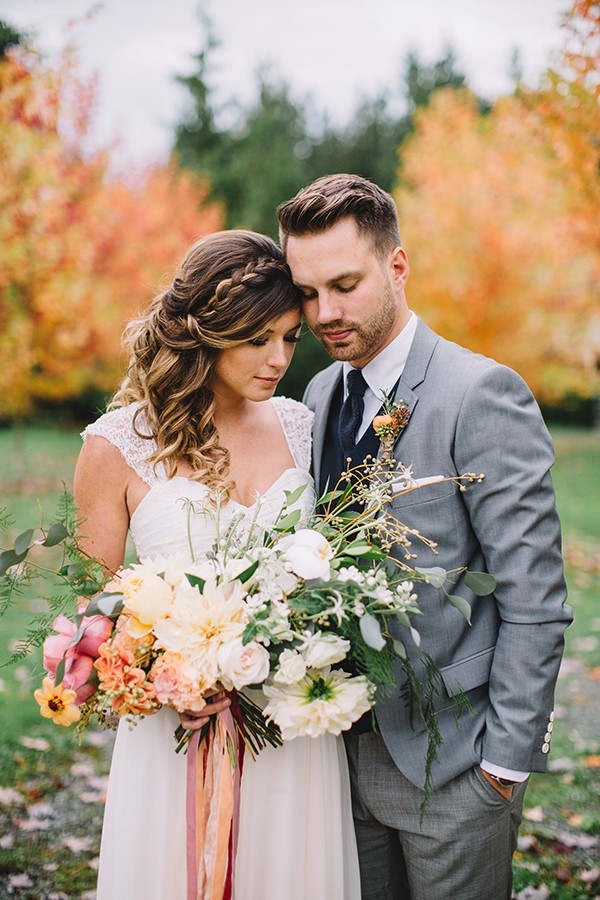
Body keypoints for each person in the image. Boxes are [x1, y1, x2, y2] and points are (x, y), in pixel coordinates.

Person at [277, 174, 573, 900]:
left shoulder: (480, 394)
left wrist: (503, 767)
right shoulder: (321, 393)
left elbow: (536, 598)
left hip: (454, 766)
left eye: (345, 284)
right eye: (308, 293)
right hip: (335, 763)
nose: (325, 312)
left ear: (397, 266)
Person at [73, 229, 361, 900]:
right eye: (257, 338)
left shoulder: (302, 426)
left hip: (292, 728)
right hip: (176, 733)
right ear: (206, 331)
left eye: (291, 338)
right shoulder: (116, 444)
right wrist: (164, 679)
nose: (279, 358)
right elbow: (93, 611)